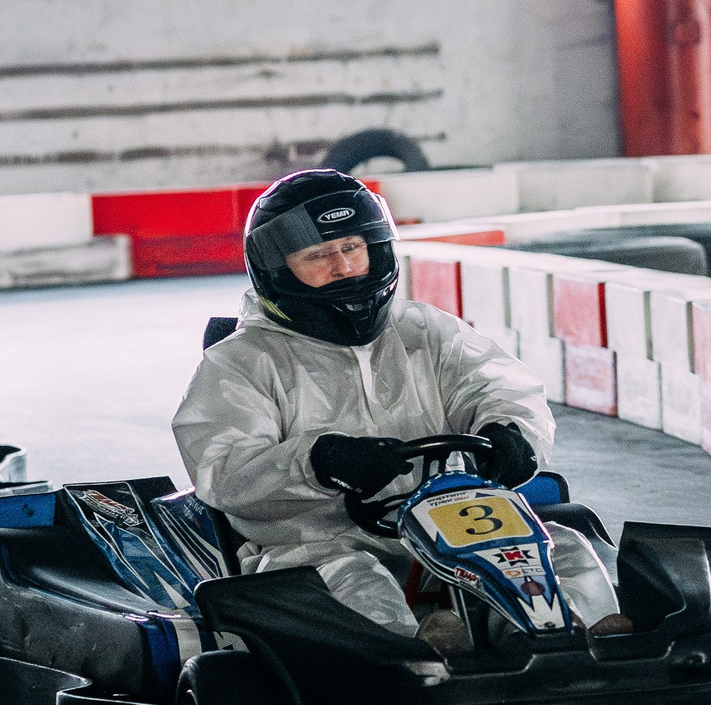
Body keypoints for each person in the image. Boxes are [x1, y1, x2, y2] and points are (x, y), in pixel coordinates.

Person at [172, 169, 628, 653]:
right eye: (318, 255)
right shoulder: (243, 361)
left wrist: (510, 432)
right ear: (279, 270)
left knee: (559, 546)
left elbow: (498, 388)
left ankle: (584, 643)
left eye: (352, 248)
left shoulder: (424, 331)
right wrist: (319, 462)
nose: (344, 268)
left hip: (452, 525)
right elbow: (223, 468)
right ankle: (421, 659)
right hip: (317, 543)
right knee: (353, 580)